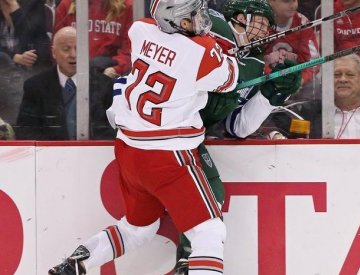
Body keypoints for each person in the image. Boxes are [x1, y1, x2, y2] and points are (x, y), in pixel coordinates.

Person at [48, 0, 239, 274]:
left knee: (138, 229)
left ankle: (75, 265)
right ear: (176, 20)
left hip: (130, 150)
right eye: (192, 15)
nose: (200, 18)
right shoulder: (201, 52)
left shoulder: (141, 30)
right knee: (209, 231)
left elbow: (174, 54)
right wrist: (227, 53)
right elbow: (229, 79)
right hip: (169, 157)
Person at [174, 0, 301, 274]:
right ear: (240, 16)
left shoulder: (253, 66)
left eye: (270, 25)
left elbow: (237, 127)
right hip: (162, 124)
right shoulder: (212, 27)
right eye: (262, 21)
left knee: (210, 196)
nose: (267, 30)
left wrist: (272, 95)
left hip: (189, 136)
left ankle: (186, 264)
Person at [16, 26, 115, 140]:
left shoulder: (104, 85)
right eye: (66, 48)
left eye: (77, 48)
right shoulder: (35, 86)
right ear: (54, 52)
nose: (73, 54)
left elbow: (112, 129)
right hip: (51, 155)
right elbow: (25, 130)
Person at [54, 0, 132, 78]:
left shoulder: (126, 6)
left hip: (109, 71)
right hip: (75, 72)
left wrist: (115, 69)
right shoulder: (66, 5)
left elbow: (128, 52)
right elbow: (58, 50)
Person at [265, 0, 320, 88]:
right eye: (286, 1)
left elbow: (313, 62)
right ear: (270, 2)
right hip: (265, 81)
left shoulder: (302, 24)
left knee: (315, 85)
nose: (292, 6)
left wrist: (300, 80)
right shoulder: (259, 24)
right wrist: (272, 79)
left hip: (296, 81)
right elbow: (255, 60)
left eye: (294, 1)